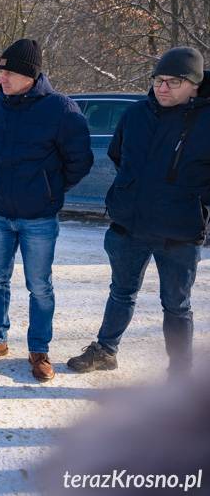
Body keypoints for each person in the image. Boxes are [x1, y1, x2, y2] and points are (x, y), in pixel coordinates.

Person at [67, 47, 210, 378]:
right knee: (121, 292)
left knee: (176, 305)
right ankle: (105, 351)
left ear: (195, 85)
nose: (163, 88)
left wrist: (192, 201)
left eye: (173, 82)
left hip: (179, 232)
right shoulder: (135, 115)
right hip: (129, 227)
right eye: (158, 80)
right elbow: (119, 155)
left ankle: (180, 373)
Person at [0, 39, 92, 382]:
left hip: (39, 218)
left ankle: (39, 349)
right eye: (0, 72)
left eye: (8, 73)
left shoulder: (61, 109)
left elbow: (80, 160)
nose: (1, 79)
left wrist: (48, 190)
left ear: (30, 75)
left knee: (39, 285)